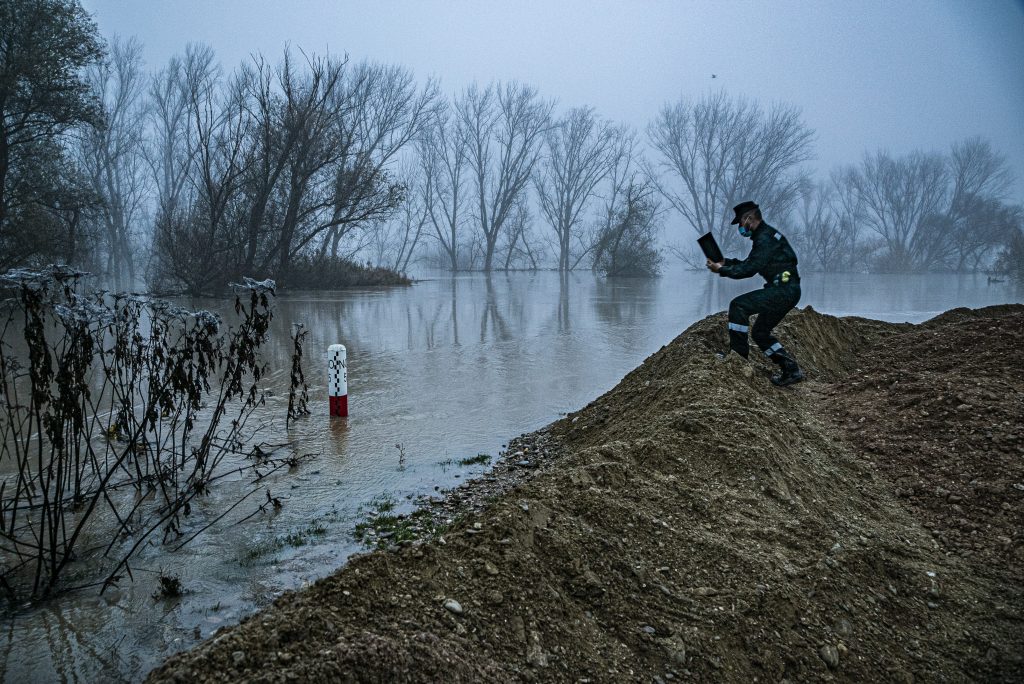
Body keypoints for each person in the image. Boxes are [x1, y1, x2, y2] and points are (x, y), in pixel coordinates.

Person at [706, 201, 805, 386]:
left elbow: (748, 270)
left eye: (740, 223)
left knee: (738, 305)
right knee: (760, 332)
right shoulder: (765, 237)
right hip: (787, 290)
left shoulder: (765, 239)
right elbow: (748, 263)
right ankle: (791, 370)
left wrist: (721, 270)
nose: (740, 228)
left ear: (749, 218)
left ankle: (737, 358)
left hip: (782, 291)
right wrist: (725, 263)